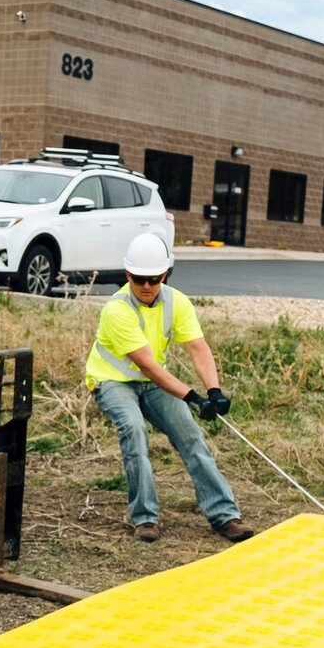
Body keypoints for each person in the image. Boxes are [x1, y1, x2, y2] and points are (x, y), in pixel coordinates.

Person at [85, 232, 253, 545]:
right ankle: (145, 518)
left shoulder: (177, 302)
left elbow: (198, 348)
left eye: (153, 279)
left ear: (166, 274)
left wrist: (214, 391)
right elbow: (148, 365)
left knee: (190, 435)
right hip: (111, 380)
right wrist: (192, 397)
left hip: (151, 382)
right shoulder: (116, 309)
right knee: (135, 431)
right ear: (127, 275)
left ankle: (225, 516)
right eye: (138, 279)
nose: (146, 286)